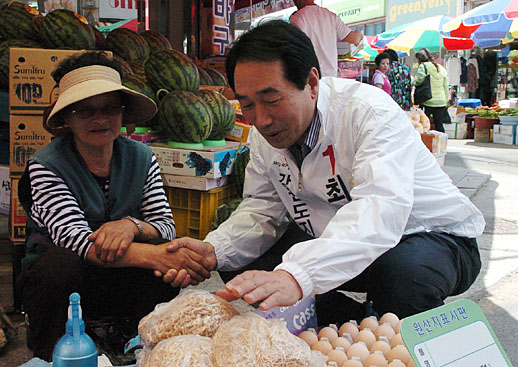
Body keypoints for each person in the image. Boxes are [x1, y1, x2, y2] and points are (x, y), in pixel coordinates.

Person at [161, 20, 484, 326]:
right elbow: (262, 209)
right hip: (339, 238)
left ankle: (404, 337)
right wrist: (216, 249)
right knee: (246, 270)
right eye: (247, 105)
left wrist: (297, 276)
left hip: (430, 237)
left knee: (404, 275)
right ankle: (349, 329)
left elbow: (379, 208)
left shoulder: (369, 113)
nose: (260, 120)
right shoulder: (264, 136)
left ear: (312, 82)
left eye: (271, 99)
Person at [16, 51, 210, 361]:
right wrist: (156, 256)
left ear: (123, 113)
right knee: (61, 263)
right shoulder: (46, 166)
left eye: (110, 108)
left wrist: (131, 225)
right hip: (64, 285)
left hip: (118, 278)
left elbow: (164, 223)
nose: (101, 119)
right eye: (85, 111)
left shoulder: (142, 158)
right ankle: (53, 348)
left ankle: (130, 332)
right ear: (66, 118)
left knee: (164, 246)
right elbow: (77, 240)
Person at [289, 0, 362, 77]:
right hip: (331, 76)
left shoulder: (298, 17)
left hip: (311, 75)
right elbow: (354, 39)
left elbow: (298, 45)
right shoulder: (330, 16)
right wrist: (359, 34)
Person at [412, 48, 449, 132]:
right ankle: (441, 142)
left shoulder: (423, 66)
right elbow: (445, 85)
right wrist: (446, 99)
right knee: (439, 124)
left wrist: (412, 82)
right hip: (441, 101)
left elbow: (420, 80)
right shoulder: (441, 68)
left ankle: (425, 143)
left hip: (428, 100)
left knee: (424, 124)